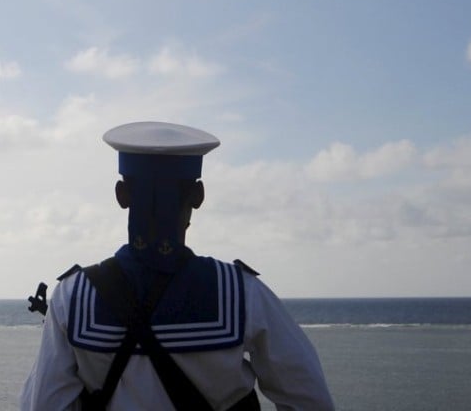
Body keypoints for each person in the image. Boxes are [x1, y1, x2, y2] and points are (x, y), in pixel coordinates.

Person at [20, 121, 335, 410]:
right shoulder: (241, 293)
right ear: (198, 195)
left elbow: (43, 404)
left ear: (121, 194)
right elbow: (310, 399)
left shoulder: (72, 298)